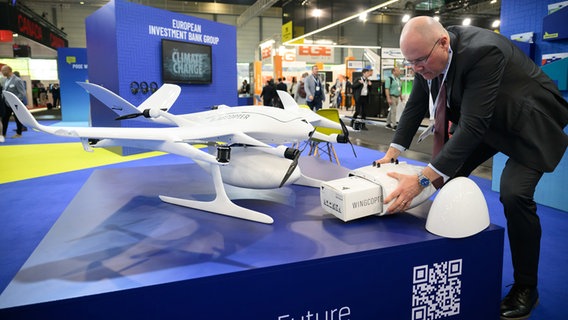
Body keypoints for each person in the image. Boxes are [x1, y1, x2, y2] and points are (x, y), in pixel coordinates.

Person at [374, 17, 568, 320]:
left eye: (421, 61)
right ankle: (445, 257)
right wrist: (392, 153)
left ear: (443, 43)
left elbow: (473, 126)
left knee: (514, 195)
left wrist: (422, 180)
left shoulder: (482, 51)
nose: (417, 69)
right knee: (446, 176)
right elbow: (416, 104)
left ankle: (526, 287)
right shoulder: (430, 58)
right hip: (489, 120)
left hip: (527, 122)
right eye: (410, 63)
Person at [1, 65, 27, 138]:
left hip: (16, 104)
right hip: (6, 103)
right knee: (4, 119)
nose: (2, 72)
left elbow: (22, 93)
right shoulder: (5, 80)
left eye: (3, 70)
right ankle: (3, 134)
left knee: (18, 118)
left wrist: (15, 101)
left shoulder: (17, 80)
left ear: (9, 70)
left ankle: (19, 133)